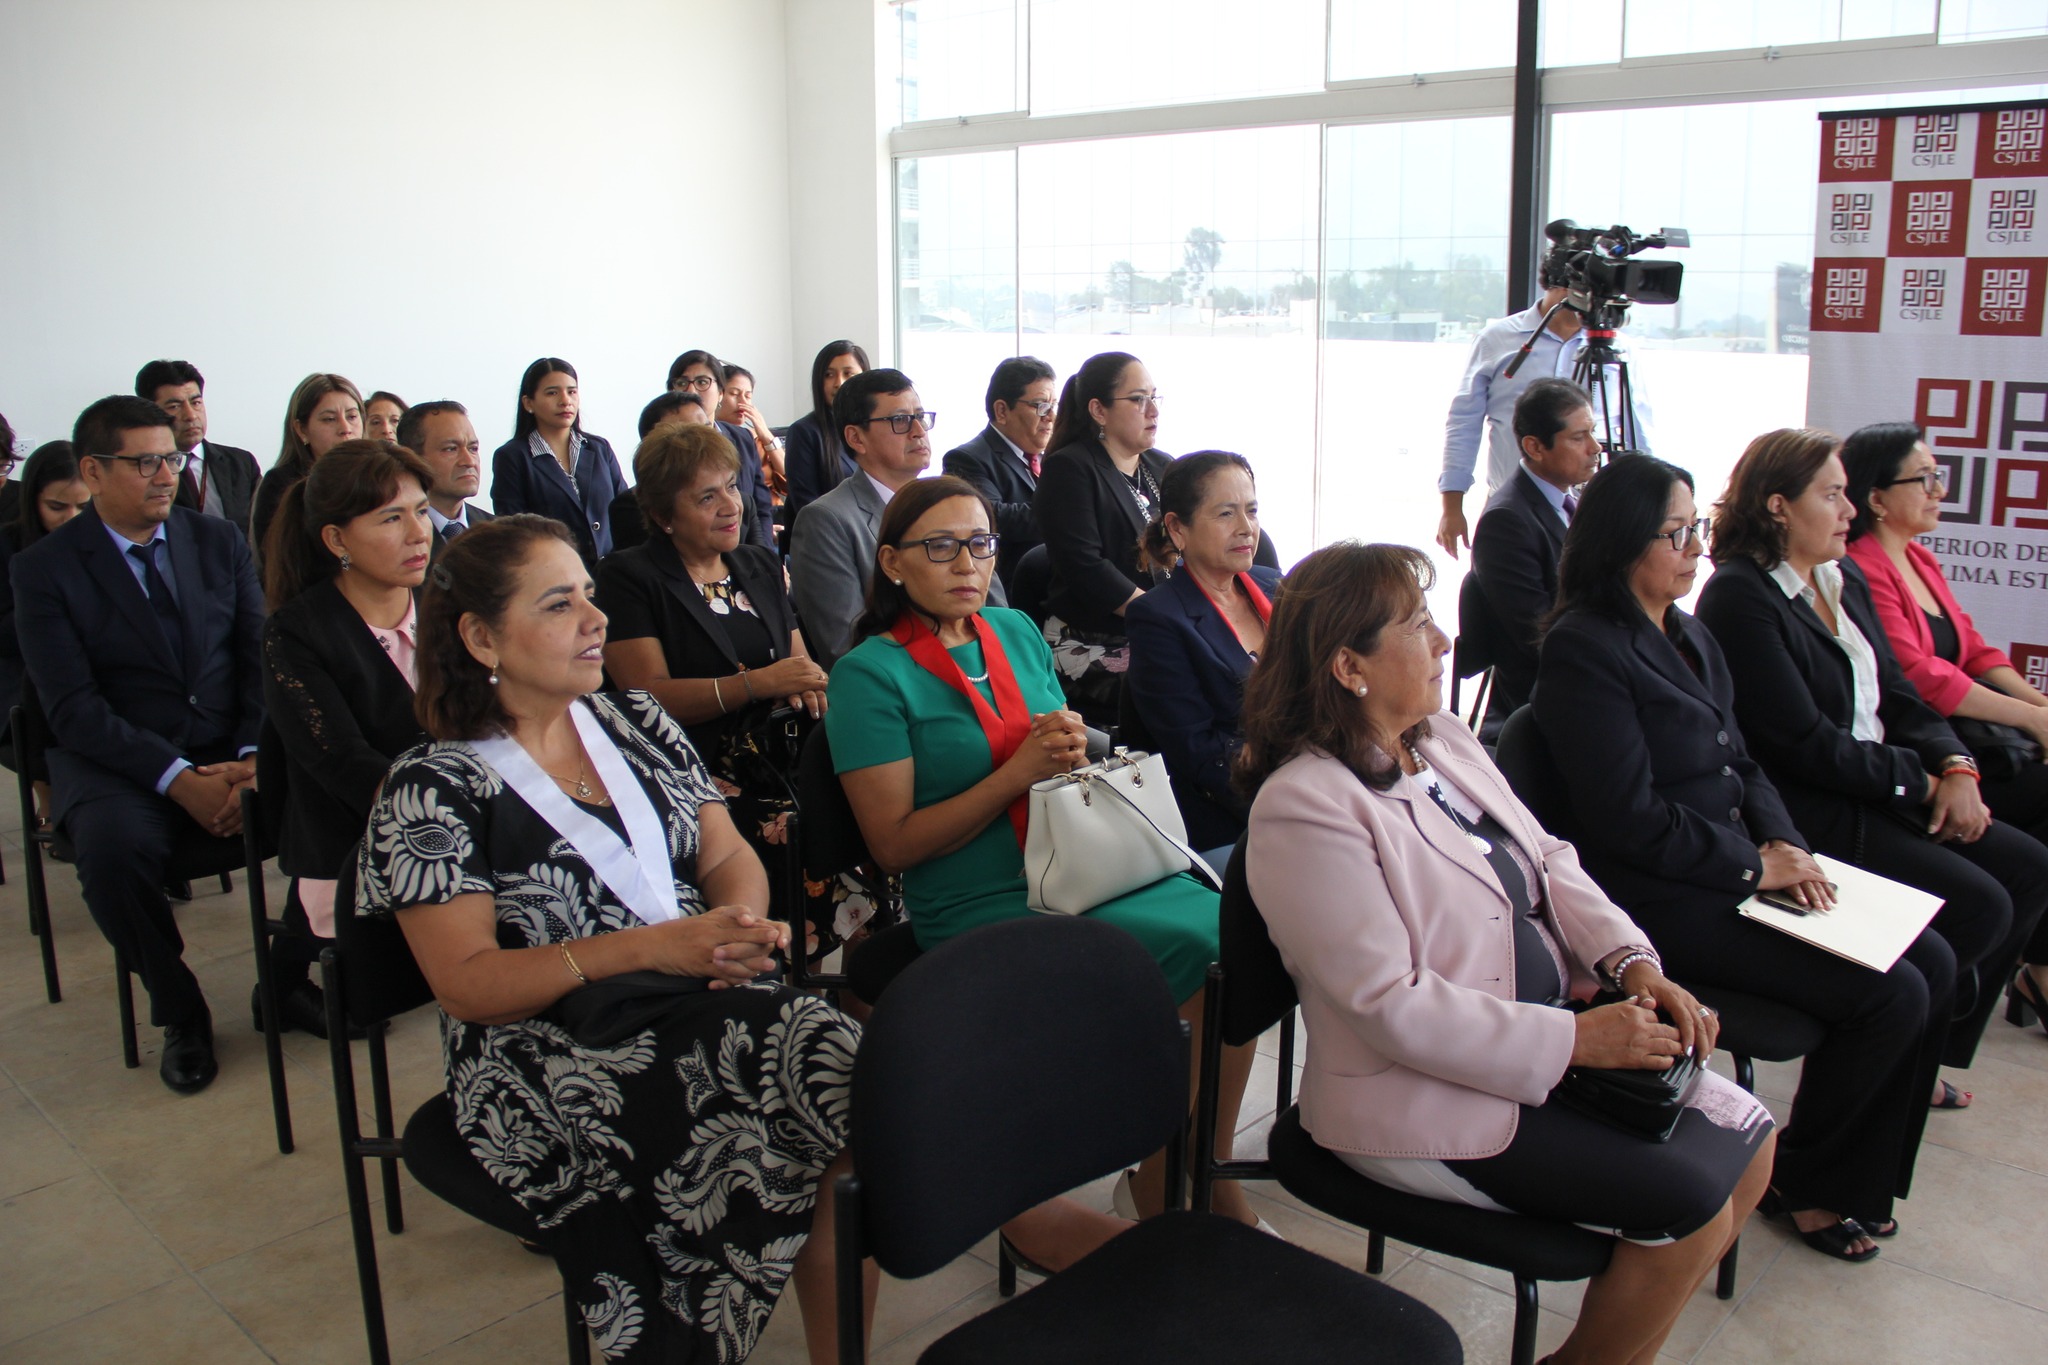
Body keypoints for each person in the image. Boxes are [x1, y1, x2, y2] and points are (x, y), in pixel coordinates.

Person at [1242, 542, 1775, 1361]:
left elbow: (1550, 858)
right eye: (1418, 626)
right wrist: (1575, 1041)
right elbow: (1390, 1004)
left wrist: (1634, 964)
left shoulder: (1443, 740)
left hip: (1540, 1036)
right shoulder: (1306, 806)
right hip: (1419, 1092)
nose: (1444, 641)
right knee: (1689, 1204)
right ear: (1349, 666)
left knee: (1751, 1140)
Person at [356, 515, 867, 1364]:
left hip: (693, 993)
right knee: (823, 1061)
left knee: (827, 1080)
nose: (596, 618)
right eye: (561, 604)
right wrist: (655, 948)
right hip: (544, 1044)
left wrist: (739, 924)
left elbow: (729, 854)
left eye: (590, 594)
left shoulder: (634, 720)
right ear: (482, 637)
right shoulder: (433, 784)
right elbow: (469, 986)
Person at [1533, 454, 1950, 1262]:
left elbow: (1744, 761)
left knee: (1928, 958)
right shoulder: (1585, 648)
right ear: (1622, 542)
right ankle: (1808, 1180)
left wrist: (1787, 846)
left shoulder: (1685, 630)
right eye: (1674, 533)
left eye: (1696, 528)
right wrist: (1755, 869)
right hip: (1663, 898)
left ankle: (1860, 1173)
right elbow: (1628, 820)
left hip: (1733, 867)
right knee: (1889, 995)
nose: (1695, 547)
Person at [826, 474, 1255, 1233]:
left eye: (981, 543)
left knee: (1240, 937)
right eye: (942, 546)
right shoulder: (869, 675)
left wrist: (1070, 746)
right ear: (893, 561)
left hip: (1080, 860)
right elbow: (893, 844)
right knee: (1200, 942)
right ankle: (1167, 1173)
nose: (968, 562)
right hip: (975, 892)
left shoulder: (1015, 630)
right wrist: (1015, 773)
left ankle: (1190, 1163)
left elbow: (1060, 741)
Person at [1695, 429, 2048, 1081]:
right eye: (1832, 495)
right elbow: (1804, 744)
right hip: (1818, 808)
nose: (1850, 510)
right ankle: (1887, 1042)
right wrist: (1921, 783)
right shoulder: (1740, 595)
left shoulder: (1840, 574)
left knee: (2022, 872)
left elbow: (1902, 693)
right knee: (1978, 909)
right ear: (1778, 505)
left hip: (1880, 784)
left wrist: (1956, 765)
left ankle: (1911, 1044)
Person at [13, 397, 265, 1094]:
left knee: (340, 803)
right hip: (121, 762)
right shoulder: (46, 570)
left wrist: (250, 757)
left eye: (172, 458)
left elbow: (258, 660)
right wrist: (177, 776)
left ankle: (291, 976)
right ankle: (180, 1009)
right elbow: (72, 708)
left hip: (230, 748)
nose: (165, 474)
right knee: (111, 854)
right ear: (92, 471)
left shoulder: (215, 541)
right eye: (144, 461)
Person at [1841, 421, 2048, 1029]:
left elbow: (1976, 652)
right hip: (1920, 750)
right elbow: (1922, 678)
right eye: (1924, 479)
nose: (1938, 490)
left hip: (1962, 740)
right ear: (1876, 498)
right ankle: (2017, 981)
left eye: (1940, 477)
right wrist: (2036, 723)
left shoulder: (1919, 557)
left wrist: (2038, 708)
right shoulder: (1863, 566)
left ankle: (2034, 966)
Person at [259, 439, 435, 1036]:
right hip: (355, 825)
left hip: (453, 813)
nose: (419, 532)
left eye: (419, 509)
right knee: (380, 998)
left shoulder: (444, 606)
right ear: (336, 540)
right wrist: (452, 810)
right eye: (391, 518)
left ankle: (279, 984)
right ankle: (287, 982)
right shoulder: (298, 631)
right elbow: (341, 761)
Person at [597, 421, 828, 857]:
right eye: (707, 497)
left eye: (730, 487)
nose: (731, 506)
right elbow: (645, 698)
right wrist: (757, 683)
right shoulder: (628, 577)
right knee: (798, 832)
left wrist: (813, 686)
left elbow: (799, 666)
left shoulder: (757, 562)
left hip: (783, 752)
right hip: (693, 769)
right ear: (664, 516)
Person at [791, 368, 1006, 670]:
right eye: (900, 420)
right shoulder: (827, 521)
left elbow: (996, 613)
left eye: (921, 416)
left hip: (983, 670)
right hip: (900, 689)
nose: (919, 430)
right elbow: (845, 645)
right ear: (856, 438)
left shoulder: (953, 504)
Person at [1436, 267, 1652, 559]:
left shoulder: (1619, 349)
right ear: (1563, 284)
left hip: (1600, 509)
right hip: (1515, 507)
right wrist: (1452, 507)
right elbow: (1464, 423)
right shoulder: (1497, 339)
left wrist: (1653, 503)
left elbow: (1637, 426)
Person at [1123, 451, 1279, 851]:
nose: (1246, 528)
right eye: (1226, 514)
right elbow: (1200, 755)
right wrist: (1292, 795)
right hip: (1228, 817)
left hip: (1311, 787)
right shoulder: (1159, 617)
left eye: (1252, 510)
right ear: (1177, 528)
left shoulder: (1276, 586)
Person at [1032, 351, 1172, 727]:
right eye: (1139, 399)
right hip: (1093, 639)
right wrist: (1161, 616)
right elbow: (1085, 567)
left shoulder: (1163, 467)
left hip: (1155, 627)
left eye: (1155, 398)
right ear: (1098, 410)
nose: (1153, 411)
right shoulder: (1070, 468)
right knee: (1180, 680)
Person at [1465, 377, 1600, 738]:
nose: (1596, 447)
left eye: (1593, 432)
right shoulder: (1507, 520)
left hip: (1586, 662)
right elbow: (1535, 634)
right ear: (1535, 447)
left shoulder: (1575, 499)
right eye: (1578, 437)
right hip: (1545, 688)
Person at [1, 441, 91, 817]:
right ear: (32, 499)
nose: (70, 517)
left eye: (83, 507)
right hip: (20, 673)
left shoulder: (108, 540)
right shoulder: (7, 544)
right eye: (57, 507)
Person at [488, 357, 627, 566]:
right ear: (528, 403)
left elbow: (625, 510)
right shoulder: (513, 457)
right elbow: (514, 530)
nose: (565, 401)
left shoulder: (599, 449)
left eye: (572, 392)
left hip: (615, 578)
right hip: (555, 577)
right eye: (552, 393)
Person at [942, 355, 1056, 588]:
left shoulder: (1054, 458)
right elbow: (993, 517)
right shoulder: (967, 459)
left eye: (1054, 405)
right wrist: (1071, 514)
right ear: (1002, 410)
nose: (1051, 416)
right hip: (1010, 592)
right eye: (1041, 406)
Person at [136, 360, 262, 535]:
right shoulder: (144, 470)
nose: (190, 415)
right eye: (174, 406)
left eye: (196, 403)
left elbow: (262, 529)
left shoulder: (241, 463)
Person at [666, 350, 774, 550]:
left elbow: (761, 508)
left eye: (702, 382)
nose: (691, 391)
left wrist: (766, 559)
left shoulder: (742, 438)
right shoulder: (665, 444)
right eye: (681, 383)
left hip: (746, 553)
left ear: (721, 393)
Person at [251, 373, 364, 556]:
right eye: (329, 419)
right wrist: (347, 566)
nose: (345, 429)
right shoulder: (281, 483)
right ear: (301, 429)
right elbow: (279, 558)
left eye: (352, 417)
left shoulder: (378, 476)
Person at [605, 391, 716, 556]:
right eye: (690, 432)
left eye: (707, 428)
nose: (706, 439)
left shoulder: (738, 499)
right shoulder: (630, 507)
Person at [781, 339, 868, 532]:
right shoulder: (804, 432)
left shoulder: (875, 428)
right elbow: (805, 503)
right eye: (829, 375)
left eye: (848, 373)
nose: (839, 383)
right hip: (826, 537)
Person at [394, 400, 492, 554]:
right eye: (451, 449)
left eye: (473, 448)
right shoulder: (393, 534)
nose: (469, 461)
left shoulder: (499, 530)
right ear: (411, 457)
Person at [718, 362, 786, 505]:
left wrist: (766, 435)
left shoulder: (756, 437)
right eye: (734, 394)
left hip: (775, 512)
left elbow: (791, 481)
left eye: (748, 396)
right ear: (718, 395)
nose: (743, 402)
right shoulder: (714, 437)